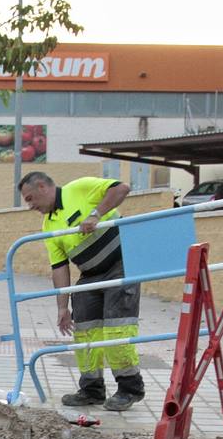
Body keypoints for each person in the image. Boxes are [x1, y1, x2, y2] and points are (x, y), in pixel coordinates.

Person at [18, 171, 143, 411]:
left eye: (31, 198)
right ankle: (92, 389)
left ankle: (130, 388)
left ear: (43, 186)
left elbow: (122, 188)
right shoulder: (49, 224)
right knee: (84, 331)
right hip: (89, 274)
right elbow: (59, 267)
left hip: (121, 265)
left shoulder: (80, 187)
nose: (30, 205)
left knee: (116, 329)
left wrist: (95, 214)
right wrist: (63, 307)